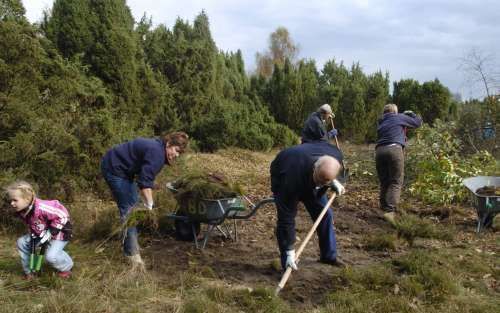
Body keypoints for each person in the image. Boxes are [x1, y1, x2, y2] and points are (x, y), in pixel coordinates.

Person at [101, 131, 189, 267]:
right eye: (176, 150)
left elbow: (144, 175)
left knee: (134, 205)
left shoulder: (158, 149)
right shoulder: (157, 153)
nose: (176, 155)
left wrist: (149, 186)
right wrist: (150, 204)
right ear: (169, 144)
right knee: (130, 212)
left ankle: (131, 245)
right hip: (114, 169)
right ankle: (132, 256)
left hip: (123, 170)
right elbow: (144, 183)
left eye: (179, 153)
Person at [270, 141, 346, 271]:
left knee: (325, 214)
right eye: (319, 181)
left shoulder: (336, 155)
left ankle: (328, 256)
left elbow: (343, 174)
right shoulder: (290, 180)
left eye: (324, 183)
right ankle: (287, 262)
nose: (321, 185)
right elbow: (286, 218)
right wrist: (289, 250)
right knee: (286, 220)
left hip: (309, 171)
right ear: (314, 168)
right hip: (284, 172)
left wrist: (335, 181)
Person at [6, 180, 73, 279]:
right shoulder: (23, 211)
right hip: (41, 233)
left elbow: (63, 215)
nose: (11, 203)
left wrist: (52, 231)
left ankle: (66, 267)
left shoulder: (42, 207)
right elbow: (35, 223)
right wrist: (34, 233)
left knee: (50, 256)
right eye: (11, 200)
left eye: (15, 200)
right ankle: (29, 271)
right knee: (22, 242)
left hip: (60, 233)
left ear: (27, 198)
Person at [375, 104, 422, 224]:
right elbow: (417, 122)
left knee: (384, 181)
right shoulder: (398, 117)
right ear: (395, 112)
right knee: (396, 181)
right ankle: (390, 212)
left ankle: (384, 209)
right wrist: (411, 114)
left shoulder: (381, 122)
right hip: (394, 149)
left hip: (379, 151)